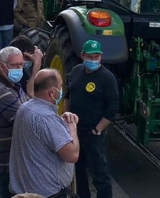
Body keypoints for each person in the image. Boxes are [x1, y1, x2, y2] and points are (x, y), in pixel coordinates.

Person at [9, 69, 80, 198]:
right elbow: (72, 155)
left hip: (23, 189)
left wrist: (61, 123)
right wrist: (72, 127)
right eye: (60, 87)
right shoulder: (47, 118)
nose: (61, 91)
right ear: (52, 92)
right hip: (46, 193)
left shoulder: (24, 107)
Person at [64, 41, 119, 198]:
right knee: (78, 170)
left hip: (94, 134)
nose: (94, 60)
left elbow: (112, 108)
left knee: (100, 173)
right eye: (90, 57)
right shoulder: (75, 71)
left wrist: (98, 129)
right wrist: (67, 120)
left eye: (97, 57)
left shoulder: (107, 78)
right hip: (75, 132)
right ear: (82, 56)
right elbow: (68, 95)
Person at [0, 47, 31, 198]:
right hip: (6, 163)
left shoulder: (13, 86)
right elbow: (28, 120)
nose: (19, 69)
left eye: (21, 65)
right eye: (14, 65)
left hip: (12, 162)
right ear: (1, 66)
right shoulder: (0, 92)